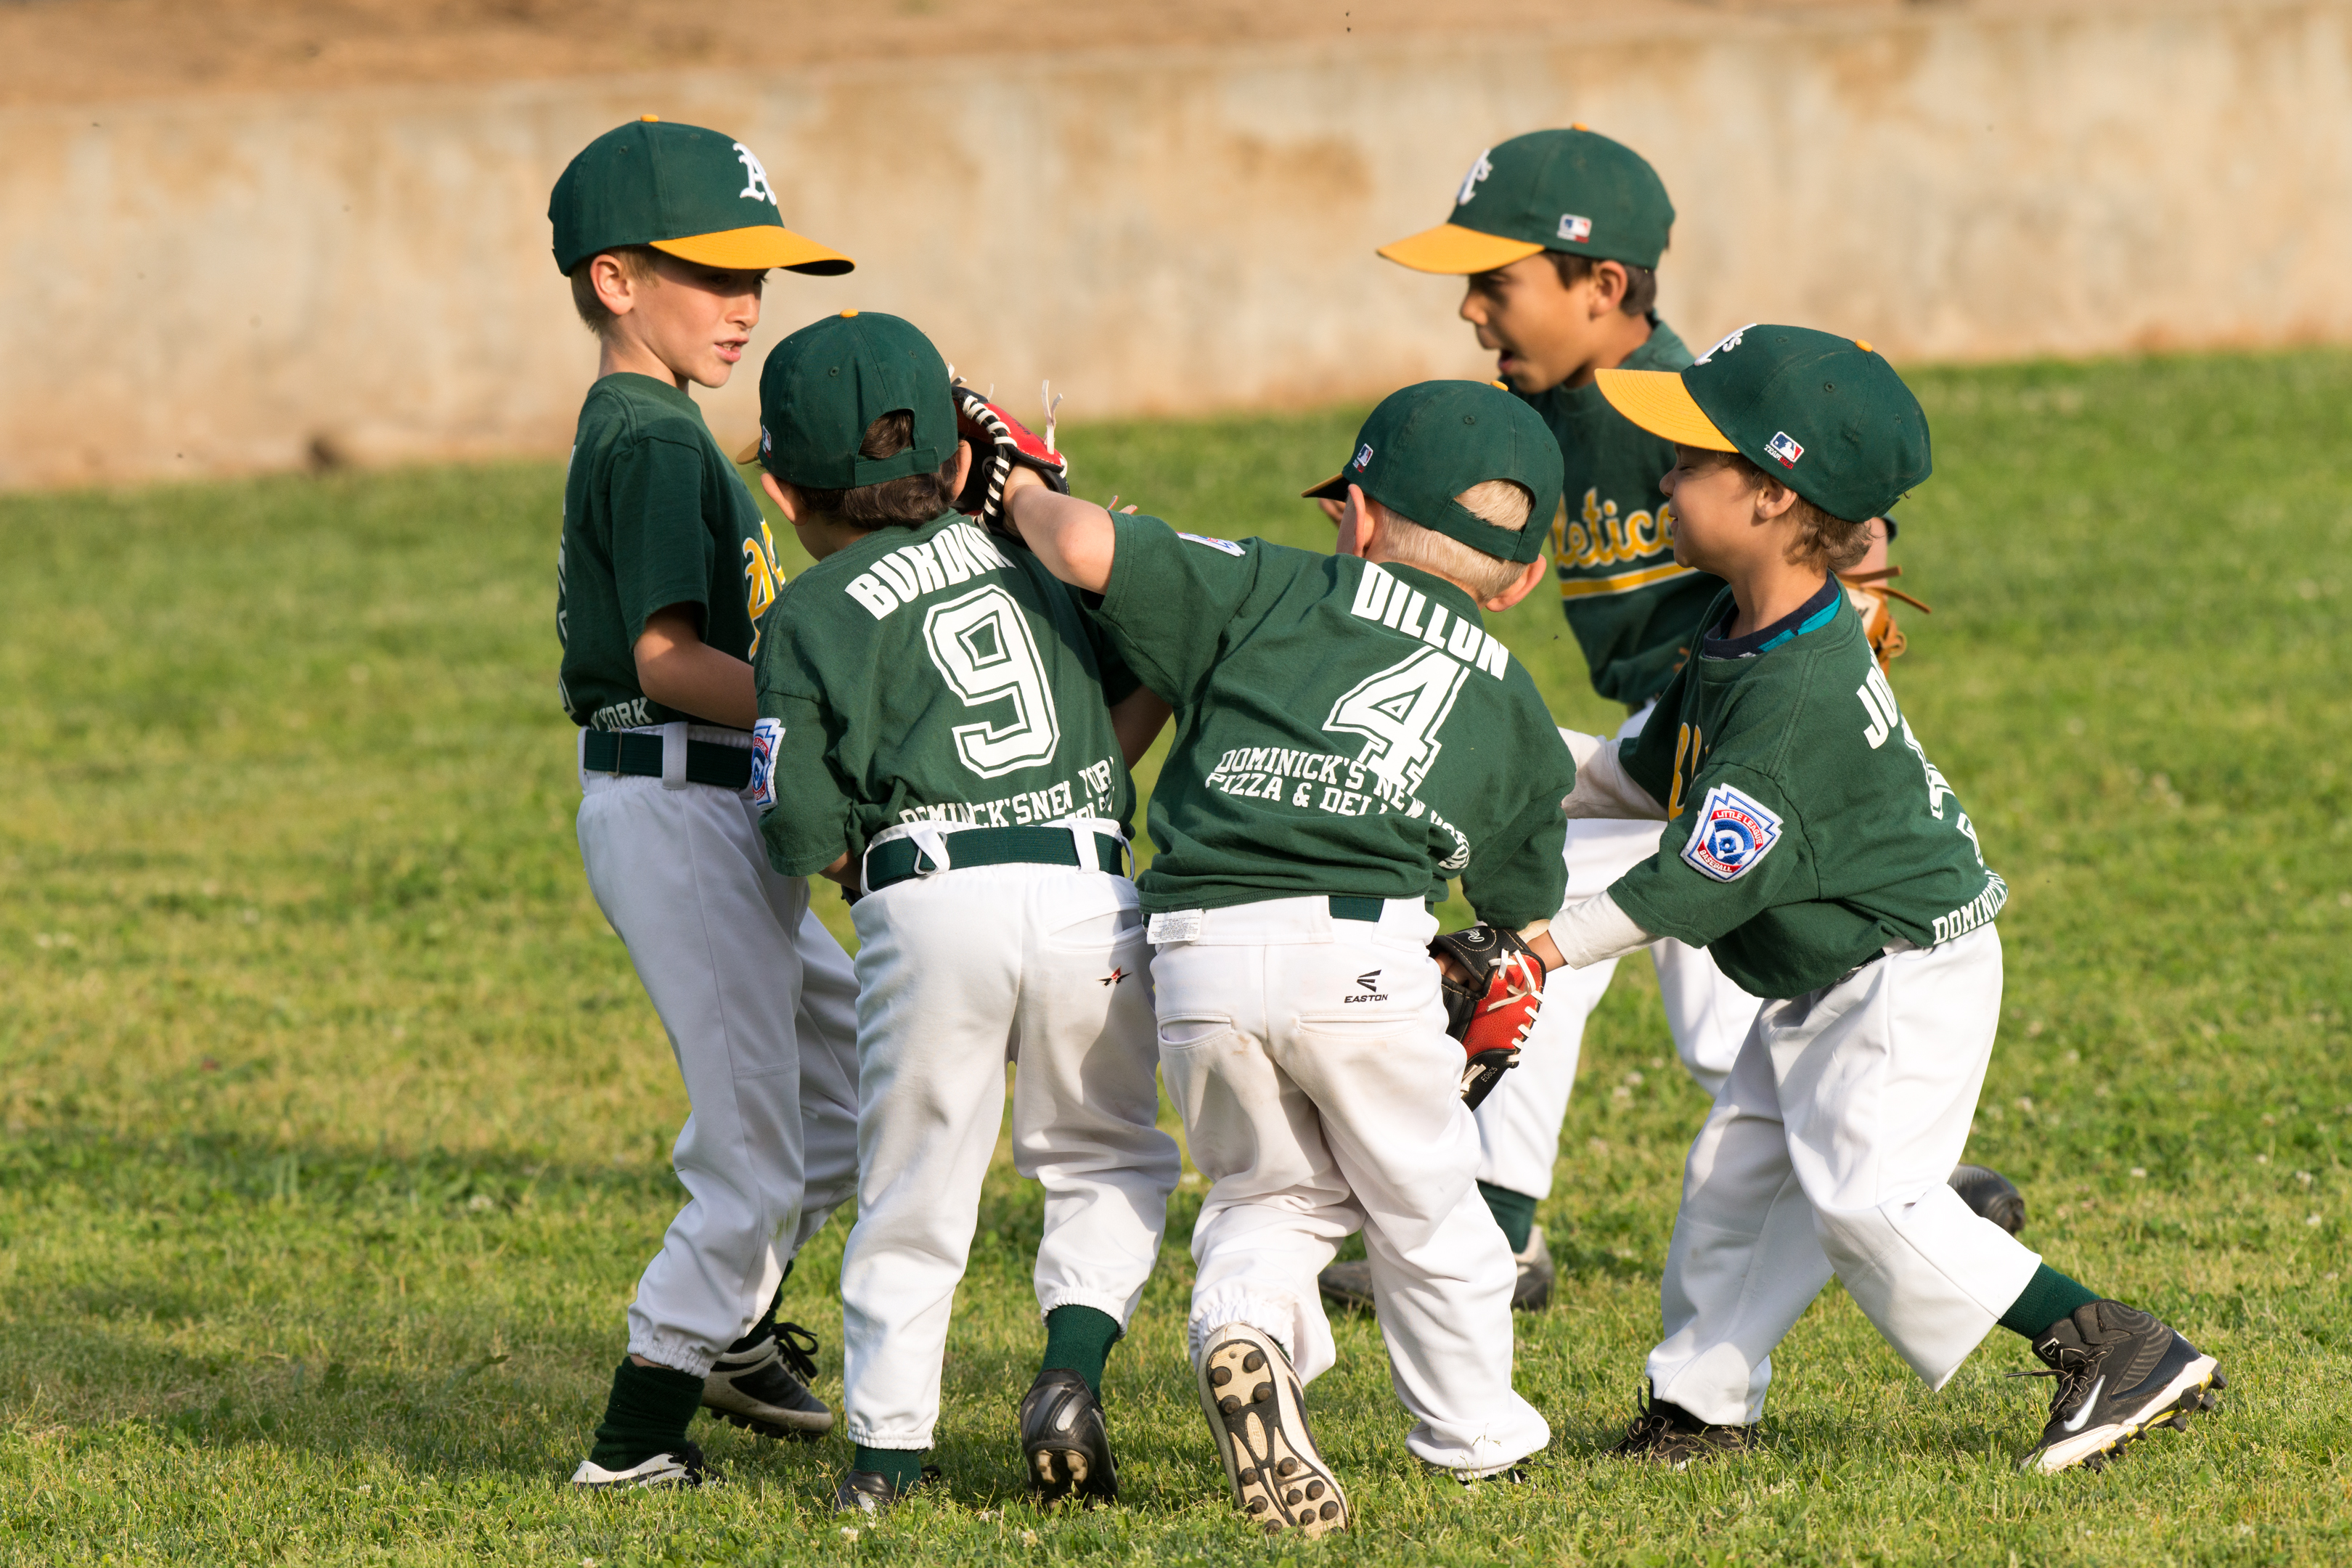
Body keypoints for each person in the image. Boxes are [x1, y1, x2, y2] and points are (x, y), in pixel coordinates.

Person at [1557, 324, 2222, 1473]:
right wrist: (1491, 771)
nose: (1662, 477)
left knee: (1869, 1201)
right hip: (1830, 963)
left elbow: (1696, 876)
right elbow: (1637, 772)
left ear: (1772, 493)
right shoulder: (1742, 625)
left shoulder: (1796, 692)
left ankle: (2116, 1346)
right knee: (1734, 1188)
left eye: (1691, 459)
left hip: (1901, 967)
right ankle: (1701, 1406)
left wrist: (1538, 948)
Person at [1003, 380, 1575, 1534]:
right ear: (1520, 581)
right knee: (1428, 1207)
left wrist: (1015, 487)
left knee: (1269, 1190)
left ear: (1357, 517)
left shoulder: (1268, 582)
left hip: (1198, 955)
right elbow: (1521, 901)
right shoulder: (1511, 699)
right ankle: (1475, 1436)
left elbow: (1082, 545)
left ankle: (1246, 1331)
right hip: (1363, 953)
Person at [745, 310, 1181, 1514]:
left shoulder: (807, 615)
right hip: (1092, 890)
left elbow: (795, 820)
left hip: (931, 891)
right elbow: (1154, 667)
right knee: (1105, 1153)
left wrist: (867, 865)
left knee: (914, 1183)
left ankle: (885, 1462)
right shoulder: (1042, 565)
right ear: (956, 464)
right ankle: (1071, 1368)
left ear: (782, 491)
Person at [1349, 127, 1757, 1308]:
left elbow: (1829, 510)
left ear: (1603, 285)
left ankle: (1496, 1228)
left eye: (1498, 280)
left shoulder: (1683, 409)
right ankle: (1914, 1185)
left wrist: (1866, 572)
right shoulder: (1545, 409)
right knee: (1727, 1022)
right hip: (1661, 743)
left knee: (1546, 922)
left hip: (1726, 739)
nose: (1471, 309)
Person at [548, 116, 864, 1490]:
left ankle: (728, 1332)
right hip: (679, 807)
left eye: (758, 279)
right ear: (617, 279)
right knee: (752, 1164)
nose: (746, 305)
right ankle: (633, 1447)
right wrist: (830, 719)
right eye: (714, 273)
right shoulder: (654, 440)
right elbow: (668, 662)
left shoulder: (662, 427)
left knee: (856, 1097)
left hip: (716, 803)